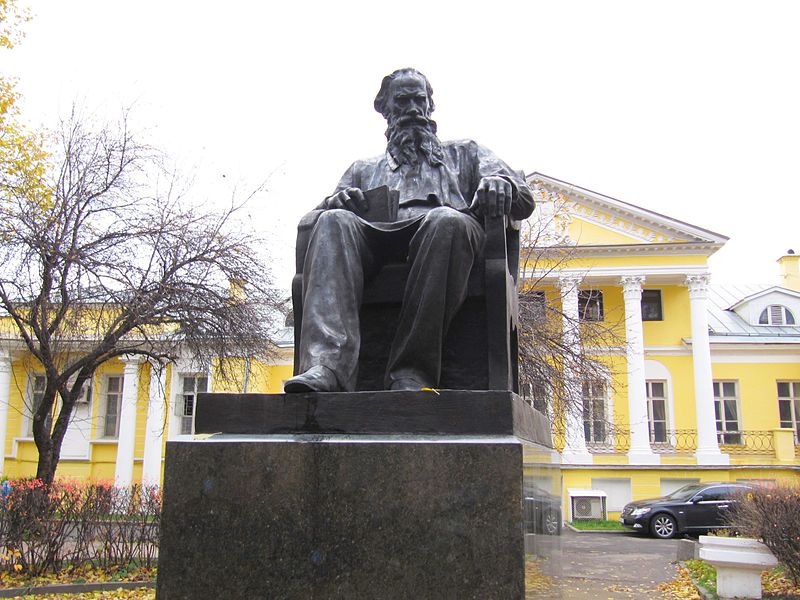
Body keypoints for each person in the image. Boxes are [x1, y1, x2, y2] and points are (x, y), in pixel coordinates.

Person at [284, 68, 534, 393]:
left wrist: (502, 184)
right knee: (331, 222)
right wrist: (335, 202)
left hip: (446, 233)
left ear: (431, 107)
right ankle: (326, 367)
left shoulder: (466, 153)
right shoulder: (363, 169)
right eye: (402, 101)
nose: (413, 109)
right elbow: (317, 218)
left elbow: (524, 198)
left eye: (420, 100)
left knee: (446, 221)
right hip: (375, 236)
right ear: (386, 111)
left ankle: (411, 372)